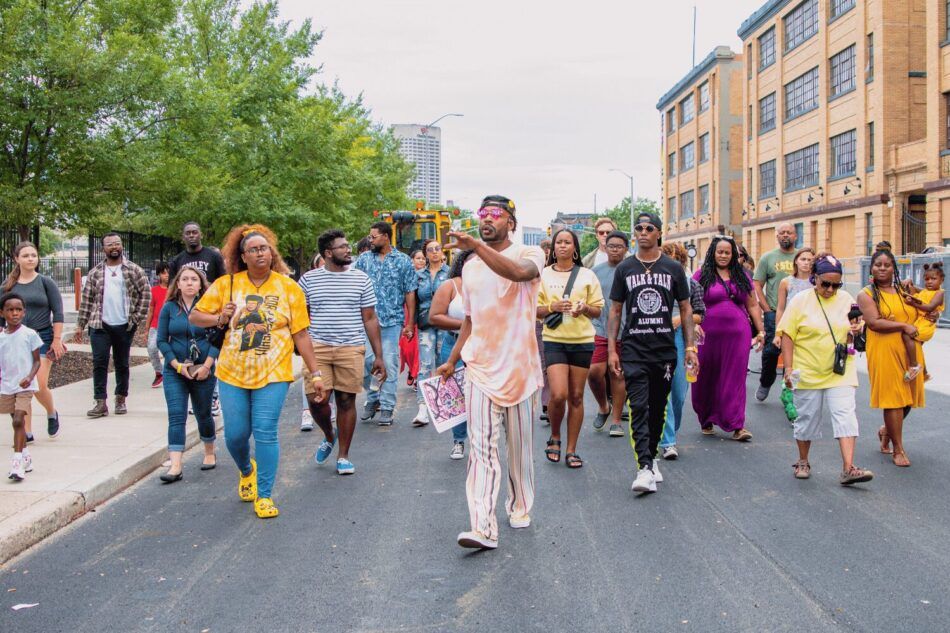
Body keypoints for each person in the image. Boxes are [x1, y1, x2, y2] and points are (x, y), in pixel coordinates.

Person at [435, 195, 545, 550]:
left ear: (510, 222)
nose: (486, 219)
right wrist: (453, 360)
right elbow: (471, 319)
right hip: (479, 368)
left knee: (519, 450)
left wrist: (477, 248)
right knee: (480, 450)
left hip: (520, 369)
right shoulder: (469, 267)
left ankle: (520, 505)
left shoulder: (530, 254)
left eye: (495, 214)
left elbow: (518, 274)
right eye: (482, 213)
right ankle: (482, 526)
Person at [190, 224, 321, 518]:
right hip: (232, 372)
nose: (260, 253)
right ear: (243, 256)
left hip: (274, 373)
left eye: (264, 248)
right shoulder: (227, 284)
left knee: (265, 431)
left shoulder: (289, 287)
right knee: (235, 436)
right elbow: (196, 316)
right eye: (253, 250)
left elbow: (301, 334)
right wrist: (219, 317)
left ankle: (264, 495)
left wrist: (316, 373)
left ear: (271, 253)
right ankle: (246, 469)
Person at [608, 212, 697, 494]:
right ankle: (644, 467)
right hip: (634, 348)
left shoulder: (673, 268)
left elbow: (686, 309)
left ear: (658, 233)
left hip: (664, 350)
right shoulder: (625, 269)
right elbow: (615, 310)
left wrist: (690, 347)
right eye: (639, 228)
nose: (643, 232)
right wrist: (612, 349)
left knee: (658, 407)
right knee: (638, 407)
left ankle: (653, 456)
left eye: (649, 228)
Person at [779, 254, 874, 485]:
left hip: (840, 370)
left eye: (836, 285)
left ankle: (848, 468)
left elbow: (855, 326)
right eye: (826, 284)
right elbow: (788, 335)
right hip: (808, 370)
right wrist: (788, 368)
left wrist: (856, 330)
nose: (831, 289)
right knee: (807, 418)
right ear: (815, 278)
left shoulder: (846, 299)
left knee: (845, 415)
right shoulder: (800, 301)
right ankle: (803, 460)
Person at [298, 230, 387, 476]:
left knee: (346, 401)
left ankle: (343, 455)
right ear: (328, 253)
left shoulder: (361, 279)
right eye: (342, 247)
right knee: (317, 400)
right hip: (318, 347)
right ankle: (330, 434)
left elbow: (370, 318)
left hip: (351, 346)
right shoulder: (308, 280)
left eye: (348, 246)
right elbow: (301, 316)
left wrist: (379, 356)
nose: (348, 250)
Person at [536, 229, 604, 469]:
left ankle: (571, 449)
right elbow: (533, 309)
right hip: (554, 339)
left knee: (576, 396)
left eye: (567, 242)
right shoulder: (543, 274)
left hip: (582, 340)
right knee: (558, 394)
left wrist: (584, 308)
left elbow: (598, 310)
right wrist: (552, 307)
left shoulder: (587, 275)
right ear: (553, 248)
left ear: (575, 248)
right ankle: (555, 435)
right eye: (559, 242)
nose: (563, 246)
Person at [856, 249, 928, 468]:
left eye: (887, 265)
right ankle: (898, 449)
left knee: (907, 398)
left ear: (894, 268)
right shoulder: (866, 294)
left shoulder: (902, 290)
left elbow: (924, 305)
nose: (882, 268)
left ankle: (886, 431)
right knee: (893, 399)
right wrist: (903, 326)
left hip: (910, 349)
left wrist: (929, 312)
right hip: (884, 350)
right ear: (871, 268)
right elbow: (874, 322)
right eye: (878, 264)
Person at [691, 235, 764, 440]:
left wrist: (761, 331)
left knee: (735, 377)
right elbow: (688, 303)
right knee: (705, 377)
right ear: (713, 253)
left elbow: (752, 305)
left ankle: (736, 424)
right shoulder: (700, 275)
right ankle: (706, 418)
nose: (723, 255)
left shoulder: (742, 276)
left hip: (738, 335)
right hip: (706, 336)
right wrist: (694, 324)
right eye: (720, 252)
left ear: (733, 255)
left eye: (727, 252)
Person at [73, 233, 151, 418]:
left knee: (122, 363)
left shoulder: (134, 270)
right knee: (99, 362)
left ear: (122, 246)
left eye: (117, 243)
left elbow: (146, 294)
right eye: (110, 244)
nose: (114, 247)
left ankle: (120, 398)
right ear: (103, 249)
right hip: (99, 325)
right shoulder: (95, 272)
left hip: (124, 325)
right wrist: (80, 325)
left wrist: (136, 318)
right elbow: (87, 300)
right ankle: (100, 402)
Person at [156, 268, 218, 483]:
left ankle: (209, 451)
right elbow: (161, 340)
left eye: (194, 279)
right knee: (176, 415)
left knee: (203, 413)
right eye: (185, 279)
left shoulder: (209, 308)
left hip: (203, 369)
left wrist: (207, 366)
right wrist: (176, 365)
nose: (189, 283)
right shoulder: (169, 308)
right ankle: (175, 465)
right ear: (178, 284)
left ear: (201, 285)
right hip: (176, 370)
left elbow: (218, 339)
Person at [355, 222, 418, 426]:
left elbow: (410, 292)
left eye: (373, 237)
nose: (370, 240)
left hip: (392, 320)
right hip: (366, 321)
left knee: (389, 362)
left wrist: (410, 323)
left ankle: (387, 407)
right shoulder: (363, 260)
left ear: (385, 237)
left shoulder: (403, 261)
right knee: (366, 362)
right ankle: (373, 397)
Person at [1, 241, 64, 439]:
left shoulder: (46, 282)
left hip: (42, 337)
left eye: (33, 255)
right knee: (23, 386)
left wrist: (56, 340)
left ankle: (51, 412)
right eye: (26, 256)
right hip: (16, 340)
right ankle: (26, 432)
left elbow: (58, 313)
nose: (30, 259)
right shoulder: (7, 286)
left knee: (38, 383)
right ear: (16, 259)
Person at [658, 242, 705, 459]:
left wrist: (679, 320)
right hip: (657, 337)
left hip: (681, 338)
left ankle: (671, 430)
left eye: (677, 260)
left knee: (678, 392)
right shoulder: (654, 282)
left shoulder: (692, 284)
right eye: (668, 260)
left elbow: (699, 314)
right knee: (663, 389)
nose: (672, 264)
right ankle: (668, 441)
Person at [429, 249, 476, 459]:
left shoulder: (490, 286)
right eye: (471, 262)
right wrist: (467, 324)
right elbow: (434, 316)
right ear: (462, 264)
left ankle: (479, 440)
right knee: (456, 392)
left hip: (483, 345)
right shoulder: (450, 285)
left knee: (479, 392)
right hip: (453, 341)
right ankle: (459, 441)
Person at [589, 231, 629, 437]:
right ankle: (604, 406)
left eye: (619, 246)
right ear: (605, 248)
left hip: (625, 330)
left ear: (626, 249)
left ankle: (616, 421)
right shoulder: (595, 272)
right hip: (600, 328)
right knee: (594, 372)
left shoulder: (632, 270)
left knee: (617, 373)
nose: (615, 250)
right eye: (611, 246)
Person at [0, 293, 42, 481]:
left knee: (18, 420)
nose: (15, 313)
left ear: (24, 312)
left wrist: (29, 377)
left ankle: (16, 465)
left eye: (18, 310)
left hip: (26, 385)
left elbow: (37, 361)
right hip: (8, 385)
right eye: (10, 310)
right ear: (2, 313)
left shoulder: (30, 334)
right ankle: (26, 457)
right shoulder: (1, 338)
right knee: (16, 423)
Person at [753, 223, 797, 401]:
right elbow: (757, 284)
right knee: (771, 352)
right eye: (782, 232)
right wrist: (766, 309)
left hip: (798, 315)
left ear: (795, 236)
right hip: (774, 313)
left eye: (789, 232)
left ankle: (791, 389)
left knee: (795, 353)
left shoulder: (802, 257)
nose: (785, 235)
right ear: (777, 236)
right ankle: (766, 382)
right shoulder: (768, 258)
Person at [412, 239, 451, 426]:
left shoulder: (450, 272)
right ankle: (422, 409)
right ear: (425, 254)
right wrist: (409, 324)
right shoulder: (418, 275)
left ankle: (445, 403)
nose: (435, 252)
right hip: (425, 323)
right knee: (425, 365)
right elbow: (413, 301)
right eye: (430, 250)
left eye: (437, 248)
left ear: (442, 252)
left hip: (445, 321)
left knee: (444, 362)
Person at [904, 263, 945, 381]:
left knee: (907, 335)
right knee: (917, 349)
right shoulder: (925, 291)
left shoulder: (939, 293)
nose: (930, 282)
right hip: (920, 323)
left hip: (926, 325)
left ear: (941, 280)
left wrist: (912, 303)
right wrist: (910, 282)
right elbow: (914, 288)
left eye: (933, 279)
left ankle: (914, 365)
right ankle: (925, 374)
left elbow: (930, 307)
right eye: (927, 279)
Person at [772, 247, 815, 348]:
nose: (806, 263)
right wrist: (778, 334)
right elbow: (781, 309)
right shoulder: (786, 282)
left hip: (812, 328)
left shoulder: (817, 282)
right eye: (803, 259)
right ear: (796, 261)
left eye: (809, 260)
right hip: (790, 328)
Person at [399, 249, 425, 391]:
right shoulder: (405, 275)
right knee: (407, 349)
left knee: (419, 349)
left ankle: (417, 374)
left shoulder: (427, 276)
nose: (421, 260)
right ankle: (412, 370)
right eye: (418, 258)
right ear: (412, 260)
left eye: (423, 258)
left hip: (422, 314)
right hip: (407, 313)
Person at [146, 263, 170, 389]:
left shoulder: (174, 290)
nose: (166, 275)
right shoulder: (154, 290)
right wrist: (147, 328)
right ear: (159, 275)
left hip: (170, 326)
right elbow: (151, 310)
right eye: (163, 273)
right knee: (151, 348)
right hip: (155, 325)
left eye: (168, 272)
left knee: (169, 350)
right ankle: (159, 372)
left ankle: (170, 373)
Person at [537, 238, 552, 423]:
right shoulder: (535, 271)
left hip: (560, 322)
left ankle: (556, 400)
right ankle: (548, 403)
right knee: (545, 364)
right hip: (539, 321)